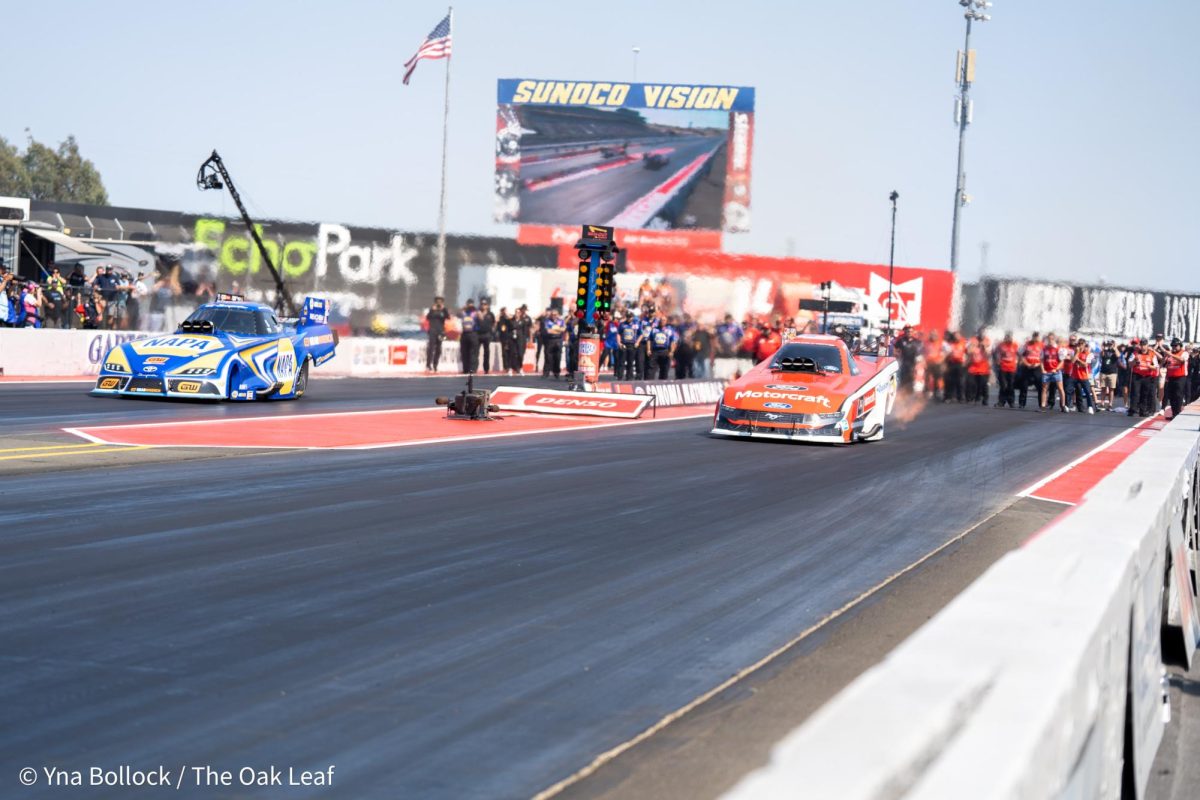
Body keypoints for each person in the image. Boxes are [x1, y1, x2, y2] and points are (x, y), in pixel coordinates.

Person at [1127, 339, 1160, 418]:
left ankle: (1142, 410)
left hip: (1147, 376)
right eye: (1141, 345)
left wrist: (1149, 366)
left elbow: (1156, 367)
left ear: (1147, 345)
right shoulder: (1135, 353)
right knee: (1135, 392)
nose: (1143, 347)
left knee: (1145, 393)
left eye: (1144, 345)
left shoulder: (1152, 354)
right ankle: (1132, 410)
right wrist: (1135, 362)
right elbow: (1129, 364)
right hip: (1137, 375)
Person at [1068, 338, 1096, 414]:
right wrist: (1077, 353)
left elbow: (1085, 365)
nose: (1080, 346)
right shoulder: (1075, 352)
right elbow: (1072, 361)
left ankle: (1090, 407)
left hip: (1084, 376)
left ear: (1084, 345)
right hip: (1075, 376)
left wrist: (1078, 360)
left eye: (1081, 344)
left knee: (1087, 392)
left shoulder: (1089, 354)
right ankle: (1069, 406)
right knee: (1073, 391)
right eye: (1079, 344)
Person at [1163, 338, 1188, 418]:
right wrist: (1165, 357)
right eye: (1172, 346)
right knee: (1172, 396)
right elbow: (1164, 364)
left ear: (1180, 346)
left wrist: (1171, 355)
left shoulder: (1184, 353)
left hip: (1180, 377)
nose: (1174, 347)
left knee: (1178, 395)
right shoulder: (1170, 354)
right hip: (1171, 377)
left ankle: (1177, 413)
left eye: (1175, 346)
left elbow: (1182, 360)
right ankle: (1174, 413)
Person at [1041, 333, 1067, 412]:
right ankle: (1043, 406)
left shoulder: (1059, 349)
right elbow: (1041, 360)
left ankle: (1062, 405)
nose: (1050, 340)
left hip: (1056, 372)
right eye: (1049, 339)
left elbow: (1062, 361)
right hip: (1047, 371)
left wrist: (1056, 369)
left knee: (1060, 388)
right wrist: (1042, 369)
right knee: (1044, 389)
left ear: (1054, 340)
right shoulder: (1044, 349)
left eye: (1052, 339)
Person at [993, 332, 1019, 408]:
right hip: (1003, 368)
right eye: (1007, 337)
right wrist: (997, 360)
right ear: (1005, 338)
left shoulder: (1015, 345)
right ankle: (1001, 402)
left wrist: (1018, 362)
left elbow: (1020, 354)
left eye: (1010, 337)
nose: (1009, 339)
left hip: (1012, 368)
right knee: (1003, 385)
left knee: (1011, 385)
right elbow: (995, 353)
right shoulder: (1001, 345)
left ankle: (1011, 402)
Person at [648, 314, 677, 379]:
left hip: (665, 351)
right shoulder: (654, 329)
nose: (662, 321)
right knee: (651, 368)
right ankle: (649, 382)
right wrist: (648, 350)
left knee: (664, 368)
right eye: (661, 320)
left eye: (664, 320)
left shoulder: (670, 330)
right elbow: (649, 340)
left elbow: (673, 341)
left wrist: (672, 351)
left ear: (666, 321)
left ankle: (663, 382)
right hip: (655, 351)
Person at [965, 331, 991, 405]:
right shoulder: (973, 345)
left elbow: (988, 354)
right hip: (974, 368)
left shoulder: (986, 345)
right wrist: (973, 345)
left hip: (983, 369)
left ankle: (985, 399)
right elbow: (968, 352)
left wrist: (984, 346)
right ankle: (973, 397)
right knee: (972, 383)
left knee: (983, 384)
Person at [425, 296, 450, 372]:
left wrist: (444, 309)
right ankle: (428, 365)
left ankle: (435, 365)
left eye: (440, 301)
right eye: (437, 301)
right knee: (431, 348)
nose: (439, 303)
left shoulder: (443, 310)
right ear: (435, 302)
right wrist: (432, 310)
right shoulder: (432, 310)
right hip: (432, 331)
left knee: (438, 349)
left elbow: (448, 317)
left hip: (441, 332)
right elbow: (427, 318)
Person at [1096, 340, 1122, 411]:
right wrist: (1103, 346)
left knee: (1111, 389)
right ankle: (1102, 403)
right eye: (1108, 344)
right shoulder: (1105, 351)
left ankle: (1110, 404)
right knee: (1103, 388)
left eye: (1111, 344)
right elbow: (1101, 355)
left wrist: (1115, 347)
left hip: (1112, 373)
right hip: (1103, 372)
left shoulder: (1115, 351)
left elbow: (1118, 355)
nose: (1109, 345)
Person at [617, 310, 643, 379]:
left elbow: (641, 334)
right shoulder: (622, 324)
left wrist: (637, 342)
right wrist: (619, 343)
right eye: (627, 317)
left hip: (632, 345)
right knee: (621, 362)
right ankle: (619, 376)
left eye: (630, 317)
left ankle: (629, 377)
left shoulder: (636, 324)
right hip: (624, 344)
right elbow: (618, 334)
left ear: (632, 317)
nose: (629, 318)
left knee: (630, 362)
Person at [541, 307, 565, 378]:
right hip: (550, 340)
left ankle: (556, 372)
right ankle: (546, 372)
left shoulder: (561, 321)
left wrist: (554, 330)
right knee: (548, 357)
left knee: (557, 357)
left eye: (555, 314)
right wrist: (558, 330)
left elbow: (563, 329)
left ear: (558, 315)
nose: (554, 316)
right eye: (552, 314)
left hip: (558, 340)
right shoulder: (547, 321)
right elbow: (548, 331)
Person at [943, 331, 966, 402]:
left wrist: (966, 361)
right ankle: (948, 397)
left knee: (960, 381)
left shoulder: (963, 343)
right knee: (949, 381)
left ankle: (960, 397)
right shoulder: (949, 344)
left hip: (960, 364)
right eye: (955, 336)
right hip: (951, 363)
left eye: (958, 336)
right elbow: (945, 354)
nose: (956, 337)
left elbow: (969, 351)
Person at [475, 299, 496, 373]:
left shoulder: (490, 314)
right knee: (476, 352)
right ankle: (474, 368)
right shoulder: (477, 313)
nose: (483, 306)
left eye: (485, 304)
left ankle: (486, 369)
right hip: (478, 334)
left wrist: (492, 332)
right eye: (482, 304)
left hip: (487, 334)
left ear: (487, 306)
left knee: (486, 352)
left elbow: (494, 323)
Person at [923, 331, 945, 401]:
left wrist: (941, 360)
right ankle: (927, 392)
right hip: (928, 363)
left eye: (935, 335)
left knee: (937, 378)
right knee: (927, 378)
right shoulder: (926, 342)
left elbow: (946, 351)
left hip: (937, 363)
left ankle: (937, 392)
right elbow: (923, 352)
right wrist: (923, 361)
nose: (933, 337)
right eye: (932, 335)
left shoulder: (941, 342)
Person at [497, 307, 518, 375]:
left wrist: (508, 315)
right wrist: (500, 315)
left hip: (510, 337)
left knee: (512, 352)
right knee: (505, 353)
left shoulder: (509, 318)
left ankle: (513, 366)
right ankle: (506, 367)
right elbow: (500, 327)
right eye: (504, 311)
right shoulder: (501, 319)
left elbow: (513, 322)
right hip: (504, 338)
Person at [459, 299, 479, 374]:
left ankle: (473, 369)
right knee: (464, 352)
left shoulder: (475, 312)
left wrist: (475, 309)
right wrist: (465, 307)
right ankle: (465, 369)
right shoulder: (464, 312)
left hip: (473, 333)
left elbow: (481, 317)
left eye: (471, 304)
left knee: (473, 352)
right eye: (469, 304)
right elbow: (459, 313)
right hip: (464, 333)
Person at [515, 305, 532, 374]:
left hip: (524, 337)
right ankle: (517, 367)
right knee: (516, 352)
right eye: (523, 309)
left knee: (522, 353)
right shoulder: (519, 317)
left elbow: (530, 329)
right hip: (517, 337)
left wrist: (531, 339)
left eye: (525, 309)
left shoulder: (528, 318)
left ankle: (520, 366)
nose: (524, 311)